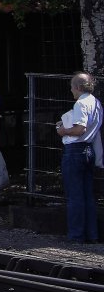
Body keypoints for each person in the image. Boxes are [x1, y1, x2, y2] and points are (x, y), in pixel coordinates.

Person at [55, 72, 103, 243]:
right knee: (87, 195)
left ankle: (76, 235)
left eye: (72, 87)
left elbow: (79, 129)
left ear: (77, 87)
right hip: (89, 149)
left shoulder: (80, 104)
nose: (71, 91)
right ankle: (92, 234)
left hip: (75, 150)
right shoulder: (96, 103)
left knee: (75, 195)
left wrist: (63, 130)